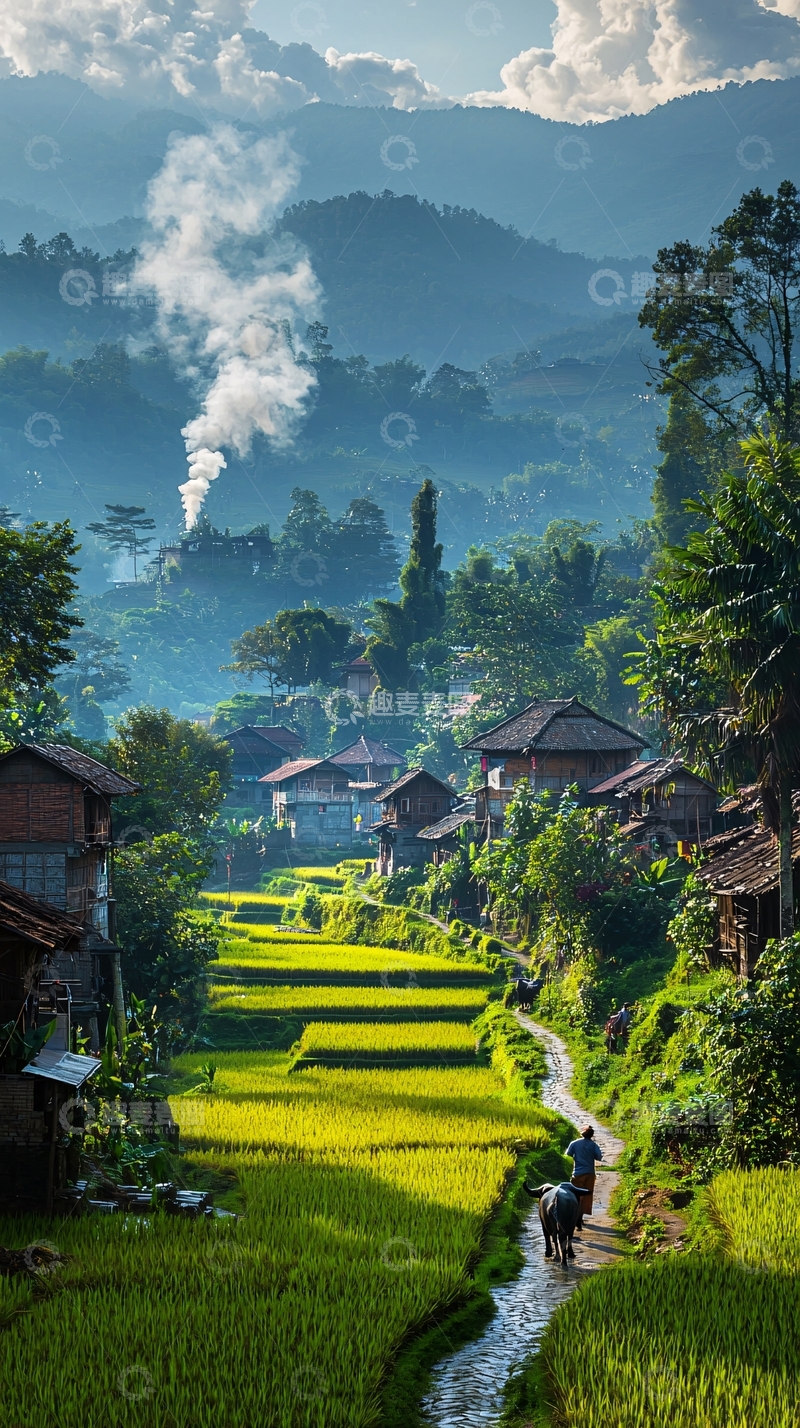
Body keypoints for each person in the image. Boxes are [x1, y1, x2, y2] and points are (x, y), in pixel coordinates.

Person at [566, 1125, 603, 1230]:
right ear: (591, 1135)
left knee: (575, 1196)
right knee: (586, 1197)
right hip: (589, 1174)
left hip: (577, 1174)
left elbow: (568, 1154)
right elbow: (599, 1157)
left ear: (582, 1134)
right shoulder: (593, 1145)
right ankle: (580, 1218)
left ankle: (575, 1217)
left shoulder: (574, 1143)